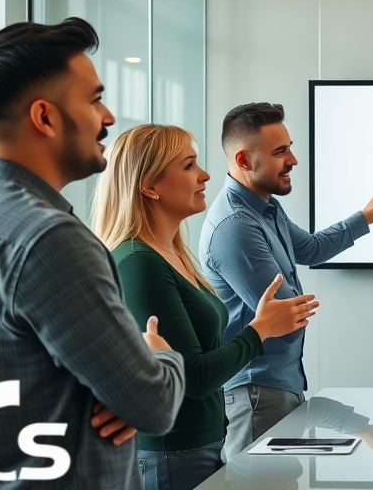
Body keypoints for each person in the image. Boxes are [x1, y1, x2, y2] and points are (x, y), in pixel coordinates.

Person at [0, 18, 185, 489]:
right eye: (94, 99)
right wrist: (159, 358)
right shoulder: (49, 239)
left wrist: (122, 389)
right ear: (44, 117)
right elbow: (154, 404)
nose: (108, 118)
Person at [90, 124, 320, 490]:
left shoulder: (173, 255)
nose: (206, 175)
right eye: (188, 166)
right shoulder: (138, 262)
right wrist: (260, 329)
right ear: (149, 186)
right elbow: (193, 377)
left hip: (201, 446)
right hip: (172, 453)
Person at [199, 102, 373, 459]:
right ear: (245, 161)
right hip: (256, 390)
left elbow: (309, 249)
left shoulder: (263, 206)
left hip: (278, 384)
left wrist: (365, 217)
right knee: (261, 485)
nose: (293, 160)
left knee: (283, 481)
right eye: (280, 152)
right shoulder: (235, 226)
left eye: (289, 148)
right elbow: (287, 316)